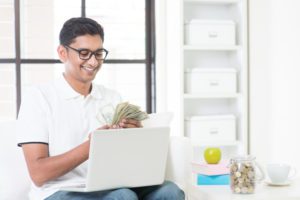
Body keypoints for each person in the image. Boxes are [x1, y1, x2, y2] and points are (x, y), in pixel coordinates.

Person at [17, 17, 185, 200]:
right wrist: (93, 146)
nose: (93, 62)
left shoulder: (112, 97)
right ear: (62, 53)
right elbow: (39, 174)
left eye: (98, 53)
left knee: (170, 191)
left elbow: (124, 162)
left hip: (109, 187)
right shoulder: (39, 97)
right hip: (60, 191)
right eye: (84, 53)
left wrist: (134, 141)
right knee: (123, 197)